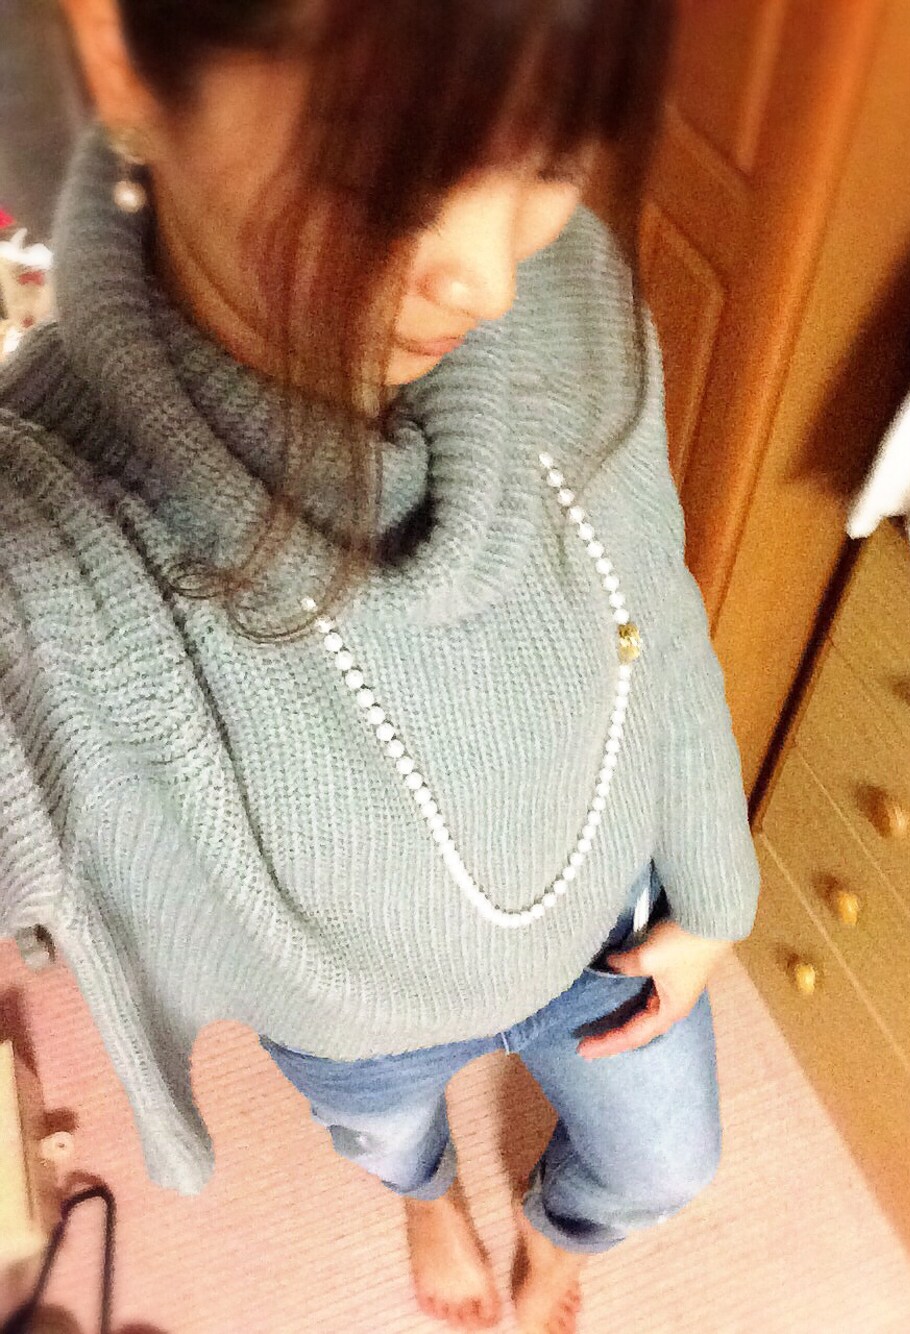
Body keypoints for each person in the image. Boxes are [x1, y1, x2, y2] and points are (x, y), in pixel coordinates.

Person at [0, 2, 760, 1331]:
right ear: (122, 55)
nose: (490, 280)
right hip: (360, 1039)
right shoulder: (53, 537)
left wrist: (714, 887)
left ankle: (556, 1235)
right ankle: (427, 1195)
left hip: (615, 934)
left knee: (666, 1168)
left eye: (551, 160)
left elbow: (650, 591)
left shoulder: (572, 290)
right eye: (396, 175)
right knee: (393, 1141)